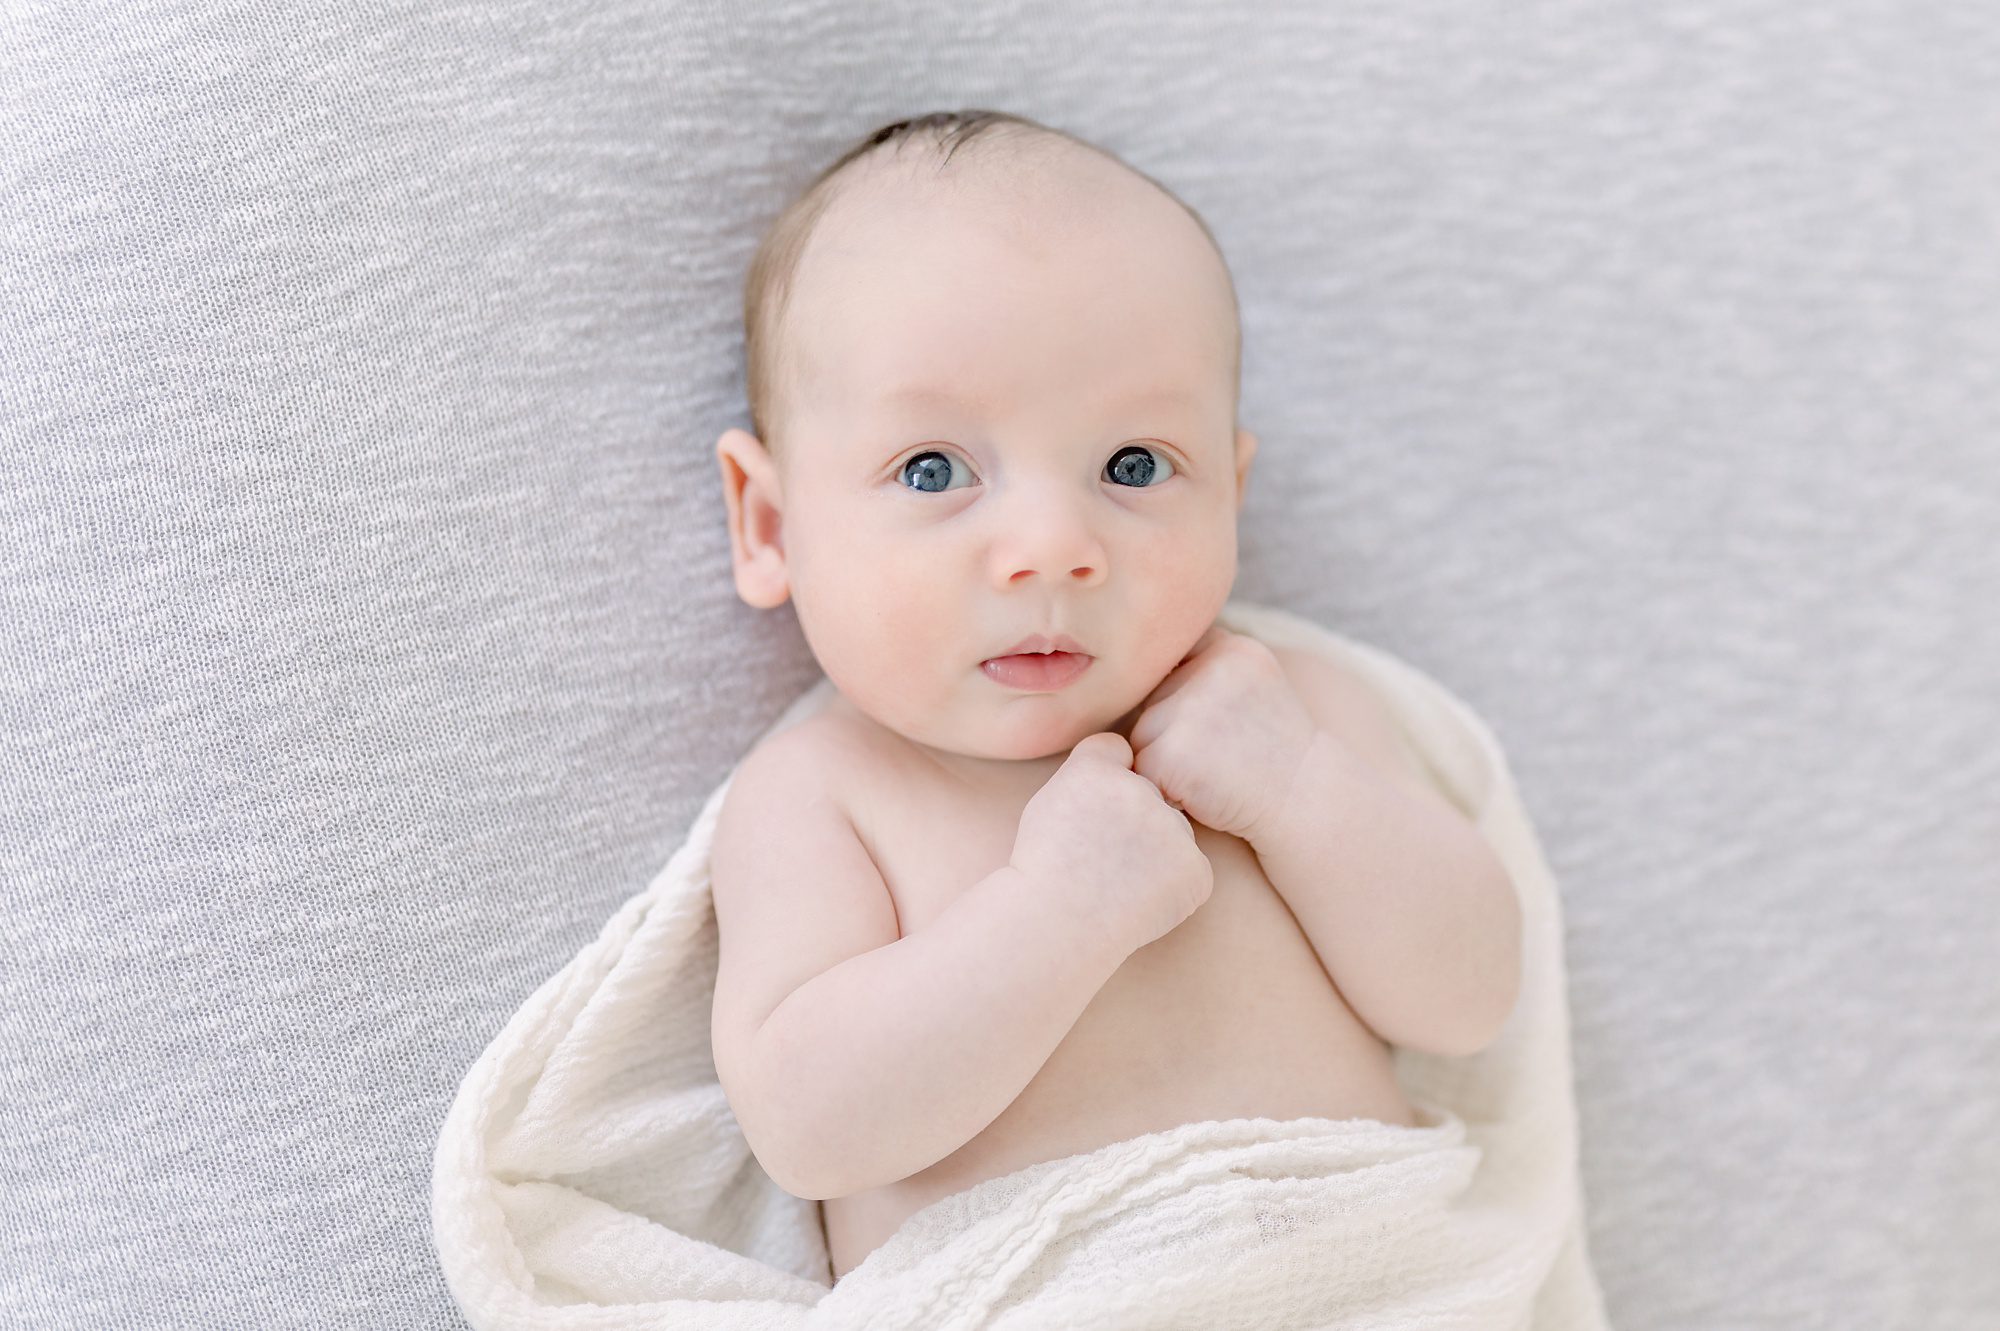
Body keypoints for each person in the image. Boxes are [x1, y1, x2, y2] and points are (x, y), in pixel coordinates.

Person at [706, 109, 1521, 1282]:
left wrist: (1295, 788)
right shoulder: (825, 795)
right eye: (932, 469)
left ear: (1226, 497)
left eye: (1132, 466)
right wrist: (1057, 912)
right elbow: (809, 1127)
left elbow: (1469, 1000)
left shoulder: (1291, 714)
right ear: (771, 523)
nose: (1050, 547)